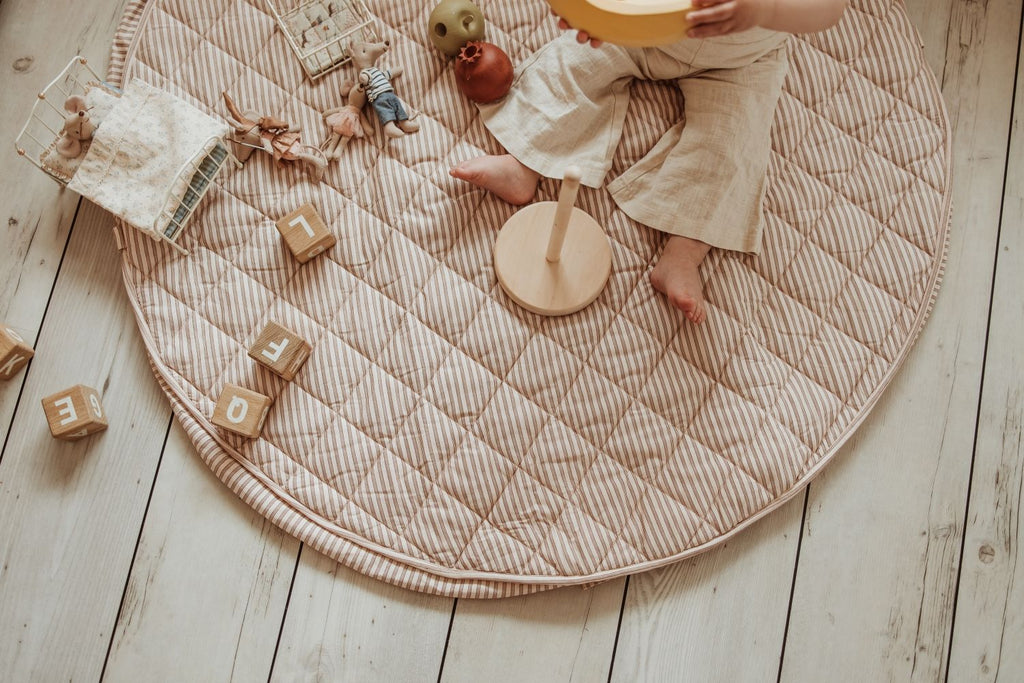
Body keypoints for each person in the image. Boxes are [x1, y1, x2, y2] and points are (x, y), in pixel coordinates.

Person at [450, 0, 848, 323]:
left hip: (743, 58)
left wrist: (763, 10)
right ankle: (525, 160)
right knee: (574, 64)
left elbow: (828, 10)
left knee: (733, 142)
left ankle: (683, 254)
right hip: (647, 30)